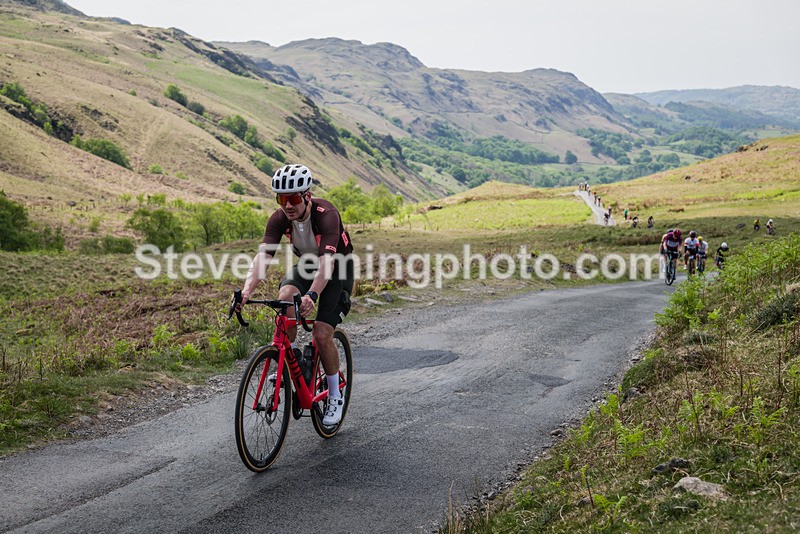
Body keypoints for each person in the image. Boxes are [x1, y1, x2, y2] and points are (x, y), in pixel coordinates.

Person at [236, 164, 354, 426]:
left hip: (338, 268)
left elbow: (328, 265)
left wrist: (312, 294)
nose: (287, 205)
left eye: (293, 199)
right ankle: (286, 359)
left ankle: (334, 395)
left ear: (307, 196)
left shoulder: (327, 215)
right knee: (285, 296)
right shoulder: (279, 218)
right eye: (281, 199)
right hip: (309, 265)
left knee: (322, 333)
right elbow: (263, 258)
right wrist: (246, 291)